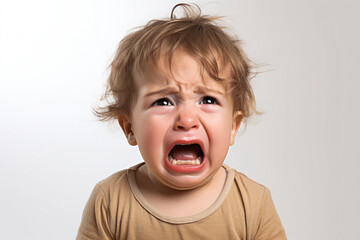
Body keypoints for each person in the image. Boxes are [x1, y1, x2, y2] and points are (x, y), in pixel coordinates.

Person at [76, 3, 286, 240]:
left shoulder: (252, 203)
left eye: (207, 100)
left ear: (233, 127)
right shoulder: (110, 200)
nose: (186, 120)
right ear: (129, 128)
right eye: (163, 102)